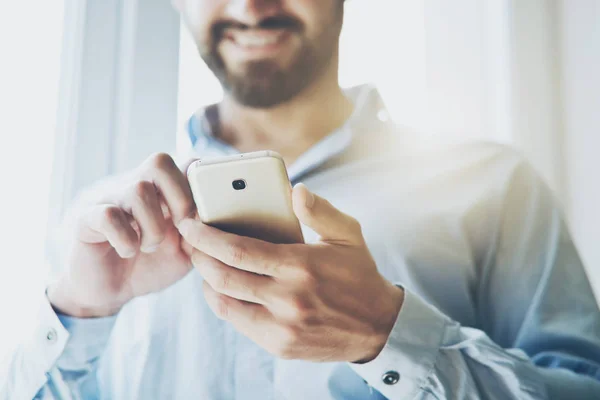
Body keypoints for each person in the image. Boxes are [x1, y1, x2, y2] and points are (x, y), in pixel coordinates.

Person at [3, 0, 600, 398]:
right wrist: (76, 316)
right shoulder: (102, 227)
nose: (250, 7)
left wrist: (390, 338)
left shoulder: (493, 183)